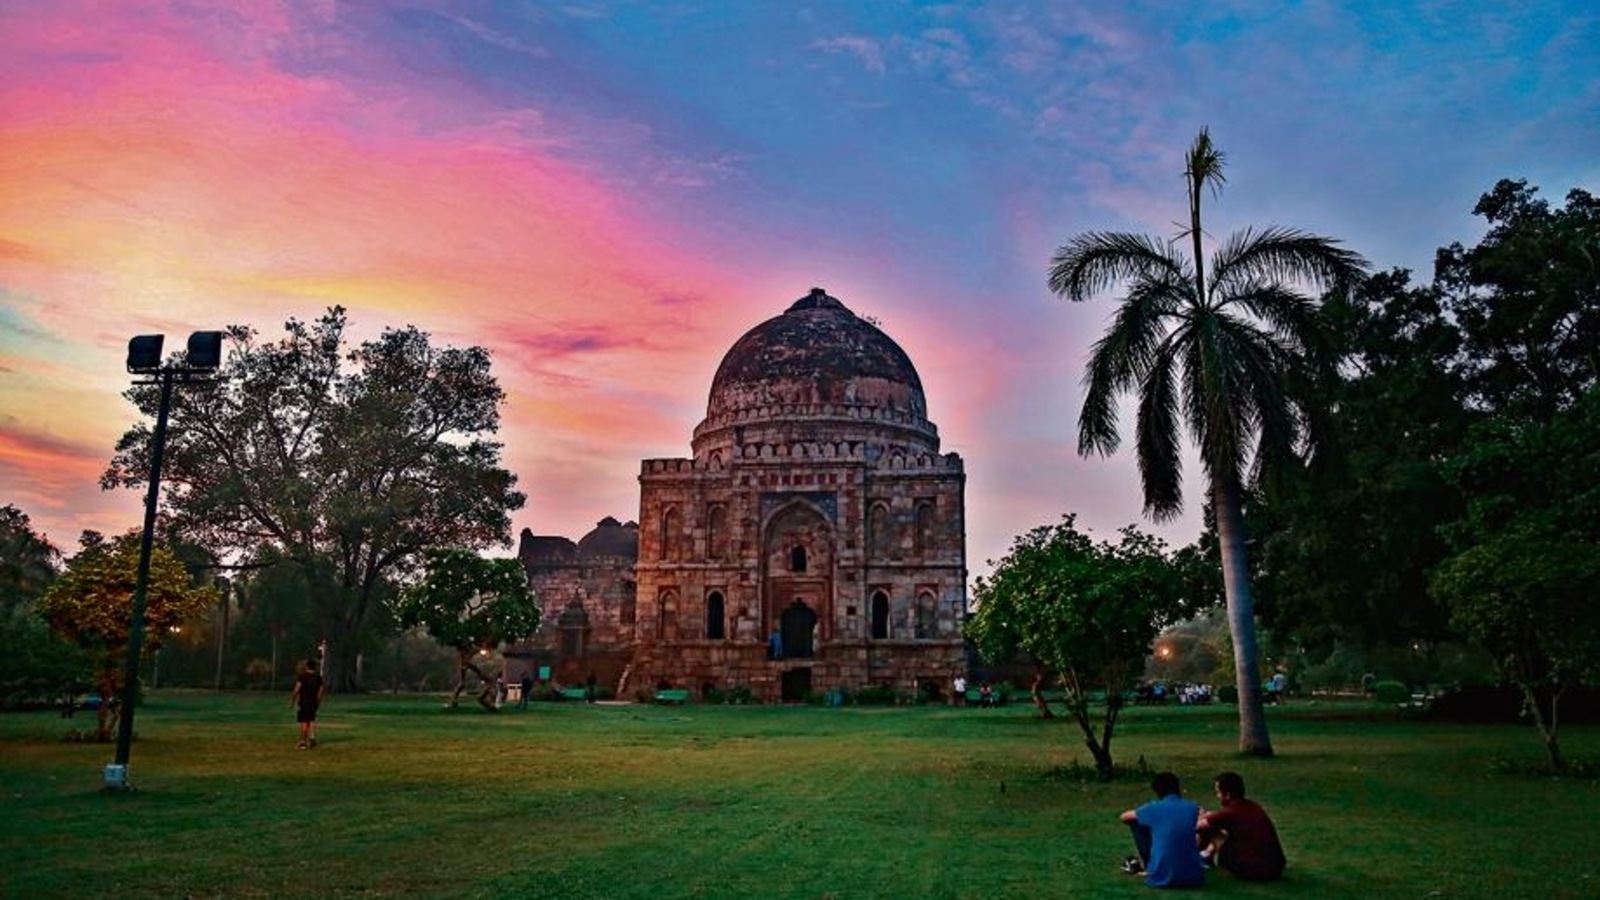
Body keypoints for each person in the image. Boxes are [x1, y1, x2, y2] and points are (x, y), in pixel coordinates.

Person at [1118, 772, 1206, 888]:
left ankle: (1149, 863)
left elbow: (1124, 817)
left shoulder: (1154, 808)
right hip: (1194, 877)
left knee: (1136, 822)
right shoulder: (1192, 807)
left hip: (1161, 877)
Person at [1197, 771, 1286, 881]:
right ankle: (1206, 856)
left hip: (1255, 869)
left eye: (1218, 792)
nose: (1217, 796)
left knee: (1210, 828)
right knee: (1218, 827)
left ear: (1227, 795)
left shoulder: (1230, 813)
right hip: (1275, 868)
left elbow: (1198, 826)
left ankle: (1202, 857)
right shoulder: (1253, 806)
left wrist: (1198, 816)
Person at [290, 658, 328, 749]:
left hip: (303, 702)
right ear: (315, 667)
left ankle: (303, 742)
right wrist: (318, 701)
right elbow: (321, 691)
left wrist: (293, 700)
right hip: (313, 702)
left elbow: (296, 689)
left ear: (307, 666)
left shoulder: (302, 677)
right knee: (311, 720)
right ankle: (312, 737)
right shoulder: (318, 677)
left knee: (303, 721)